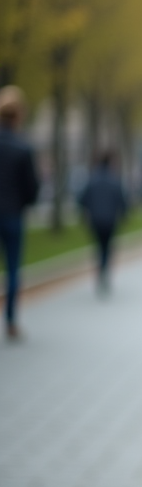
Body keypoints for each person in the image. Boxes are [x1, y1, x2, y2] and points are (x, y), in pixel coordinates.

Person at [0, 85, 40, 339]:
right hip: (13, 214)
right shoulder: (23, 148)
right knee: (13, 269)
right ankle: (11, 321)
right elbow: (32, 188)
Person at [76, 150, 128, 296]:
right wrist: (123, 215)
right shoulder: (114, 180)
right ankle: (104, 271)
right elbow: (122, 200)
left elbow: (82, 200)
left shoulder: (92, 180)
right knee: (107, 247)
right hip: (111, 220)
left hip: (96, 220)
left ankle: (101, 271)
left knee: (99, 247)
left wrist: (86, 213)